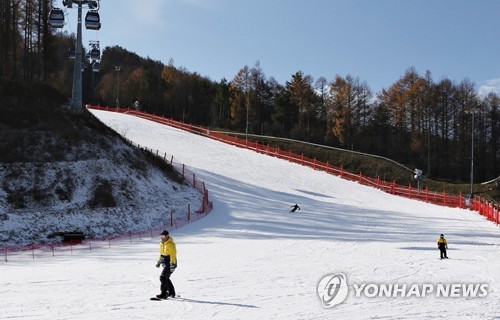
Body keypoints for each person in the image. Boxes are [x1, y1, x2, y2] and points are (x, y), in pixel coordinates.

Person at [155, 230, 177, 299]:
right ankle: (171, 292)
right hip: (165, 262)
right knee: (166, 278)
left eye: (163, 236)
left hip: (170, 262)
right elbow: (161, 254)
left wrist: (172, 264)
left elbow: (173, 255)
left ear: (167, 236)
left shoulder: (171, 244)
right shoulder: (162, 243)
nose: (162, 237)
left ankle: (164, 293)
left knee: (163, 277)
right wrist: (159, 261)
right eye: (161, 236)